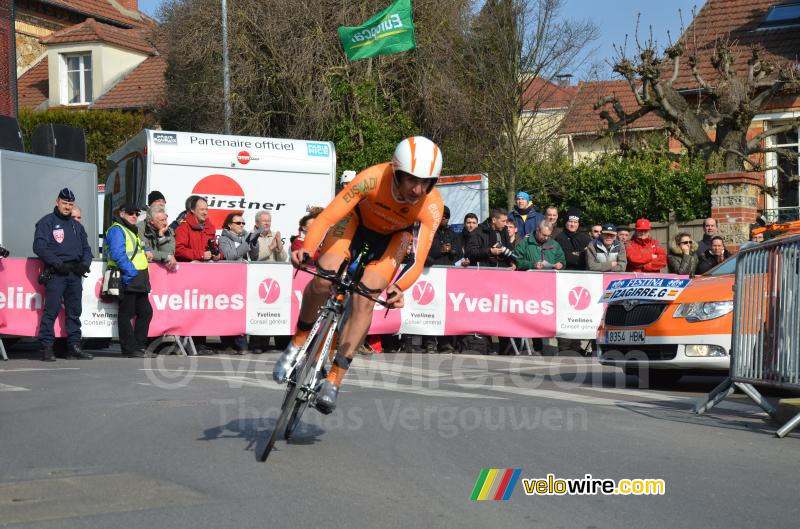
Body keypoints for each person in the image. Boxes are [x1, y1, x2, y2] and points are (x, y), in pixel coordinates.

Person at [273, 136, 445, 413]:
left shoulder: (431, 205)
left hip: (392, 238)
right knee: (323, 276)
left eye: (426, 182)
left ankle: (334, 380)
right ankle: (298, 341)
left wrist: (398, 288)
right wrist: (306, 249)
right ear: (397, 172)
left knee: (366, 298)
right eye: (412, 179)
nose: (418, 189)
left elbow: (419, 258)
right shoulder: (372, 178)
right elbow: (328, 217)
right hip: (355, 222)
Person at [33, 188, 94, 361]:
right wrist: (57, 264)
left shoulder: (77, 226)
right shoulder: (47, 222)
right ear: (57, 202)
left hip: (74, 274)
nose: (67, 207)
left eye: (70, 204)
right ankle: (47, 347)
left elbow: (86, 249)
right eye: (64, 203)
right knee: (51, 311)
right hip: (56, 273)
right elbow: (39, 247)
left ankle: (73, 346)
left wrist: (85, 264)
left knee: (74, 312)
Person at [106, 203, 155, 358]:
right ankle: (129, 348)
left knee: (146, 312)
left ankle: (139, 347)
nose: (134, 216)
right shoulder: (117, 229)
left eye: (136, 213)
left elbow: (138, 247)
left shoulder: (130, 230)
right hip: (128, 277)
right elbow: (118, 254)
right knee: (126, 314)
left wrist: (146, 250)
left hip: (137, 279)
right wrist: (131, 272)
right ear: (122, 214)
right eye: (130, 213)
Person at [174, 196, 223, 262]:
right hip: (189, 269)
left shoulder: (210, 227)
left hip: (208, 268)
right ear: (192, 210)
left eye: (206, 209)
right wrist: (201, 255)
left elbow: (215, 247)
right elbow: (178, 250)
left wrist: (218, 255)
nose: (205, 213)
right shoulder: (183, 227)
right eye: (202, 209)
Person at [137, 205, 177, 271]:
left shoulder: (169, 231)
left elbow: (170, 254)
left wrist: (161, 236)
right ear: (151, 221)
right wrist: (166, 256)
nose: (165, 223)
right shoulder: (140, 229)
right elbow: (146, 252)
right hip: (145, 269)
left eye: (165, 219)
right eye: (162, 220)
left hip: (163, 271)